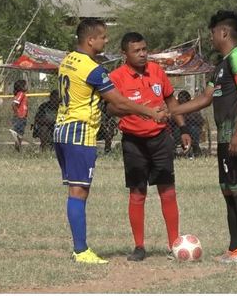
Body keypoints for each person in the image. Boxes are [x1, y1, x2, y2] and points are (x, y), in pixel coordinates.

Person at [54, 19, 168, 264]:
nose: (106, 41)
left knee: (75, 190)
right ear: (90, 40)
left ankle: (80, 248)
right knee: (79, 191)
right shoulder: (93, 69)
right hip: (79, 132)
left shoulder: (67, 60)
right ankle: (81, 250)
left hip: (61, 129)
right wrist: (150, 112)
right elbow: (119, 101)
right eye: (103, 37)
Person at [170, 10, 237, 263]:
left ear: (223, 32)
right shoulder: (220, 66)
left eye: (212, 33)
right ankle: (235, 248)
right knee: (228, 189)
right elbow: (205, 98)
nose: (211, 38)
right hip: (224, 137)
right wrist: (171, 110)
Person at [107, 32, 192, 262]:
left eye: (145, 49)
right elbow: (112, 109)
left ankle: (174, 244)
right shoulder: (116, 77)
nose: (143, 54)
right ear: (125, 54)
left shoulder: (157, 71)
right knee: (137, 193)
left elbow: (171, 101)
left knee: (168, 190)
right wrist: (136, 109)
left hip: (161, 139)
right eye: (137, 50)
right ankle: (139, 246)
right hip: (134, 142)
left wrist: (183, 129)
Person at [170, 90, 205, 156]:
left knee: (194, 129)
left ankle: (195, 147)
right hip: (179, 128)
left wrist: (189, 117)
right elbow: (171, 119)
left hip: (191, 127)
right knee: (177, 130)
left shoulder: (193, 106)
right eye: (180, 98)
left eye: (184, 98)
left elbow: (201, 121)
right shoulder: (176, 107)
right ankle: (178, 148)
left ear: (188, 99)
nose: (182, 100)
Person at [10, 79, 28, 152]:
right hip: (20, 116)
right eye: (25, 85)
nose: (27, 86)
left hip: (22, 116)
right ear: (22, 86)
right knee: (19, 133)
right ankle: (18, 148)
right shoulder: (21, 94)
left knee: (20, 133)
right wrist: (17, 113)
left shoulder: (22, 94)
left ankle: (18, 149)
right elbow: (14, 104)